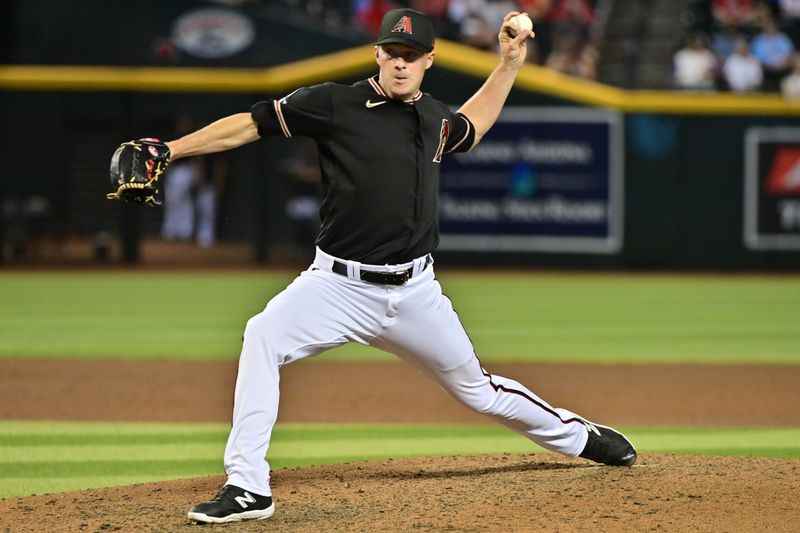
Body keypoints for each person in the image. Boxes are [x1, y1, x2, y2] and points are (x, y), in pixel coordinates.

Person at [154, 9, 636, 525]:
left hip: (415, 294)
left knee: (479, 391)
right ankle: (248, 485)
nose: (400, 64)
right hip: (335, 286)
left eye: (411, 56)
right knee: (262, 336)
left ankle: (580, 437)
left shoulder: (433, 117)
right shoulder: (334, 103)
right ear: (377, 54)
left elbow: (470, 128)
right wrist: (171, 149)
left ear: (428, 60)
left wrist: (510, 64)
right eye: (392, 53)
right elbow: (250, 125)